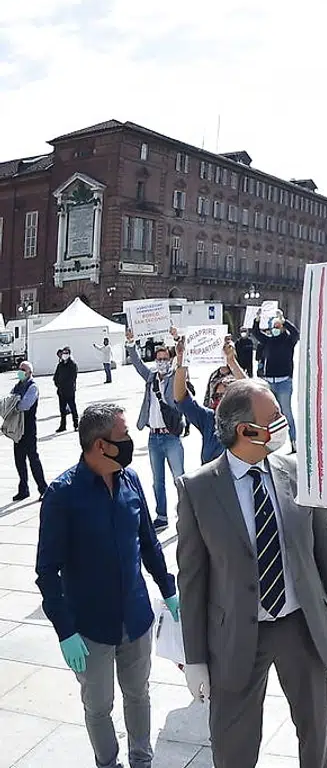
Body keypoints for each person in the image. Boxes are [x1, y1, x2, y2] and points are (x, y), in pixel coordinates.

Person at [175, 378, 327, 768]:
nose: (281, 421)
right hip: (236, 636)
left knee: (315, 733)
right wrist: (195, 658)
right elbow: (191, 581)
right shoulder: (198, 490)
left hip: (300, 626)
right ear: (246, 430)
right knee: (233, 745)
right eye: (273, 415)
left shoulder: (299, 473)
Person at [36, 402, 180, 768]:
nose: (130, 441)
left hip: (136, 618)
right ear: (101, 445)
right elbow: (47, 571)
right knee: (99, 705)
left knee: (139, 694)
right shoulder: (62, 495)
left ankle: (141, 760)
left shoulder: (130, 480)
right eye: (124, 435)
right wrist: (65, 631)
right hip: (91, 628)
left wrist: (168, 589)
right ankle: (108, 762)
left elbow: (148, 542)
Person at [125, 329, 186, 529]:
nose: (161, 362)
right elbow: (137, 364)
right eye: (158, 359)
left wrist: (177, 339)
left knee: (179, 477)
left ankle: (186, 513)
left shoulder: (174, 377)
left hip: (171, 437)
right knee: (157, 480)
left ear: (170, 359)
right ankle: (161, 516)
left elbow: (182, 361)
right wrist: (131, 343)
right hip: (154, 437)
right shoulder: (151, 378)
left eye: (164, 359)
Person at [173, 331, 248, 465]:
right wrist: (181, 361)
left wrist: (231, 361)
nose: (221, 400)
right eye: (217, 396)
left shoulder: (247, 419)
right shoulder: (208, 419)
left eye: (226, 395)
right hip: (211, 477)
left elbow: (252, 391)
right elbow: (181, 398)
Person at [250, 312, 300, 444]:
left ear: (282, 328)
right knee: (267, 413)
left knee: (286, 412)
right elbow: (256, 333)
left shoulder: (289, 341)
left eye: (278, 326)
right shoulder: (269, 341)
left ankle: (293, 440)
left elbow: (295, 333)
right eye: (274, 327)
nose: (275, 329)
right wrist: (257, 319)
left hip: (284, 382)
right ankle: (267, 441)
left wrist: (284, 321)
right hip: (269, 382)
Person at [10, 361, 46, 501]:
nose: (20, 371)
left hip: (29, 428)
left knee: (33, 459)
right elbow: (9, 400)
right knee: (19, 459)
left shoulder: (32, 387)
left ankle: (43, 488)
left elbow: (25, 405)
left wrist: (14, 404)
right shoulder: (17, 386)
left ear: (30, 372)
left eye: (23, 369)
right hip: (17, 428)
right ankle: (23, 489)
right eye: (19, 369)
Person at [53, 347, 80, 432]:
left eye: (66, 353)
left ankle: (76, 424)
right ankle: (63, 425)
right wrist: (58, 384)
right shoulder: (60, 365)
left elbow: (73, 377)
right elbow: (56, 376)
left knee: (72, 407)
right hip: (61, 391)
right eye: (63, 353)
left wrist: (66, 385)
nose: (64, 355)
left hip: (69, 390)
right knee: (62, 409)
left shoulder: (72, 364)